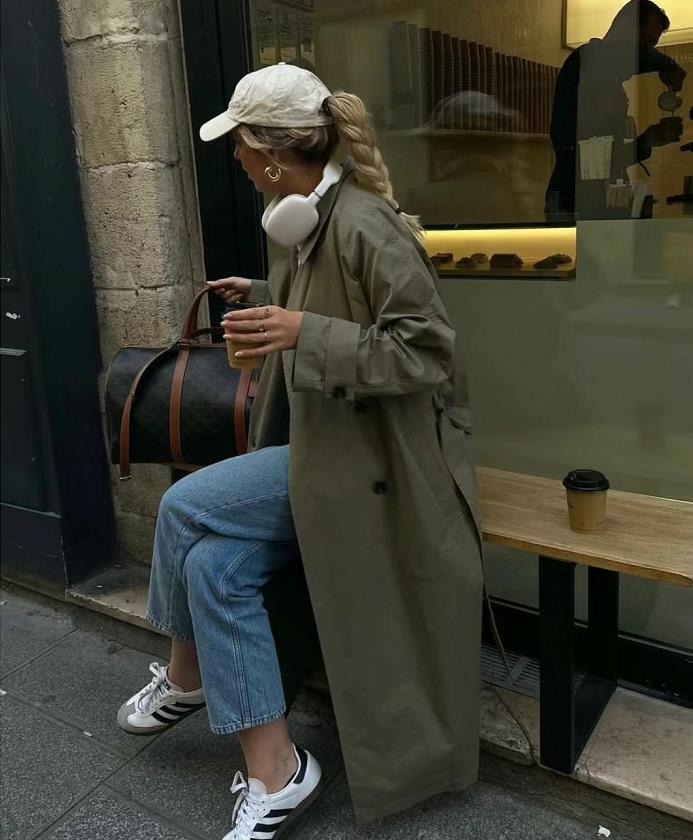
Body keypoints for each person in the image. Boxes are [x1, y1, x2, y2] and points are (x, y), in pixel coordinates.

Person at [117, 62, 483, 839]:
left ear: (273, 155)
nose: (237, 160)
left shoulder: (365, 225)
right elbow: (338, 311)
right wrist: (265, 296)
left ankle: (185, 678)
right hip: (327, 444)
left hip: (376, 461)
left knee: (182, 507)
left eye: (240, 147)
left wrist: (300, 332)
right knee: (212, 568)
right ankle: (277, 774)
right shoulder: (303, 221)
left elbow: (427, 353)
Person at [546, 0, 686, 220]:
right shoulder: (590, 62)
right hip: (576, 205)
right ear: (626, 27)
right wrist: (647, 141)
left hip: (592, 203)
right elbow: (589, 162)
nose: (646, 53)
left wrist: (666, 64)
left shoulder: (603, 74)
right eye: (645, 44)